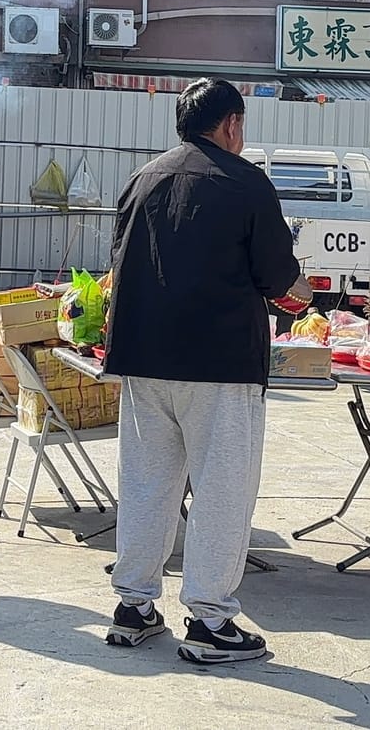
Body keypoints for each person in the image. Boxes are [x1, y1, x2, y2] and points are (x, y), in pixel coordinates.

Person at [101, 78, 310, 665]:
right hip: (218, 363)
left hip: (144, 358)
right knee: (222, 489)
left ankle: (134, 606)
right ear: (232, 124)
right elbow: (278, 277)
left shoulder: (143, 179)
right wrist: (303, 291)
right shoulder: (245, 182)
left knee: (146, 484)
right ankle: (211, 620)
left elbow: (120, 265)